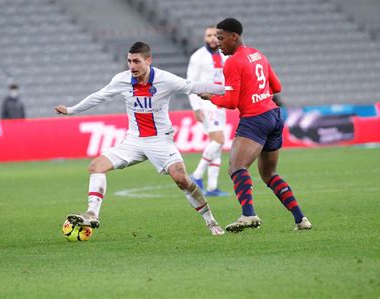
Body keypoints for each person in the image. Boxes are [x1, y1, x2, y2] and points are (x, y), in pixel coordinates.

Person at [55, 42, 226, 236]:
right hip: (134, 140)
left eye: (136, 61)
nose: (132, 66)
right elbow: (99, 96)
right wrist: (71, 110)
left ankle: (210, 221)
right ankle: (92, 213)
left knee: (181, 179)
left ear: (148, 60)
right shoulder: (122, 80)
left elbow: (194, 86)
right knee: (96, 166)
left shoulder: (165, 79)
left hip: (160, 140)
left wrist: (228, 89)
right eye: (129, 61)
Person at [199, 18, 312, 232]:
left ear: (235, 37)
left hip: (255, 118)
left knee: (236, 167)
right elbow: (276, 86)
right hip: (274, 115)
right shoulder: (257, 54)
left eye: (221, 38)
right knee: (269, 174)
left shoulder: (232, 62)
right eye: (215, 38)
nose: (218, 42)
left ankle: (248, 215)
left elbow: (231, 102)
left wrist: (210, 97)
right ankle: (301, 219)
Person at [187, 26, 229, 197]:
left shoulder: (224, 55)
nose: (212, 38)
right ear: (205, 37)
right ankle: (196, 175)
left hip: (221, 103)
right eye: (209, 35)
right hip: (206, 103)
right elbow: (190, 82)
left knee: (217, 146)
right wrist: (196, 107)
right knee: (219, 140)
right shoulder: (198, 57)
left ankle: (212, 187)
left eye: (215, 35)